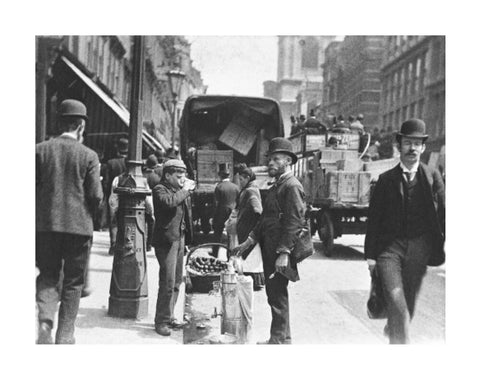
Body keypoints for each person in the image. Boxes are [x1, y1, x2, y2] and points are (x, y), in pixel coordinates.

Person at [365, 118, 445, 344]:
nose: (412, 148)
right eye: (408, 142)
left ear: (423, 148)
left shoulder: (432, 176)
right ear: (399, 146)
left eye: (417, 143)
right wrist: (371, 257)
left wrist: (437, 241)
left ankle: (395, 327)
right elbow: (374, 220)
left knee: (407, 304)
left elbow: (445, 212)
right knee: (397, 301)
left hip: (419, 247)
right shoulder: (385, 180)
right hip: (389, 249)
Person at [36, 99, 103, 344]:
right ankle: (65, 336)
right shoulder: (89, 156)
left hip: (45, 226)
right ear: (81, 127)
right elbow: (95, 196)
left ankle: (45, 323)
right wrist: (95, 217)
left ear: (58, 122)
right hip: (78, 229)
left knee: (48, 276)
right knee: (73, 283)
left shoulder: (40, 150)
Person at [233, 137, 306, 344]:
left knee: (276, 296)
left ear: (289, 162)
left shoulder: (291, 186)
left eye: (276, 159)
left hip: (279, 250)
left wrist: (284, 253)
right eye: (270, 159)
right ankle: (284, 338)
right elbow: (266, 219)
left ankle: (277, 342)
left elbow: (294, 222)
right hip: (271, 248)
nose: (270, 163)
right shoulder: (278, 185)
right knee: (277, 295)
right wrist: (248, 241)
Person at [151, 159, 196, 336]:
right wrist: (185, 190)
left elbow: (186, 213)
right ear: (167, 175)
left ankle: (169, 316)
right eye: (178, 176)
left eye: (183, 175)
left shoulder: (178, 190)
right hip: (166, 241)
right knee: (167, 282)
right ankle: (161, 321)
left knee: (177, 282)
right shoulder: (159, 189)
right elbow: (169, 203)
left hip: (179, 238)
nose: (182, 179)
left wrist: (188, 239)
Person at [235, 167, 264, 290]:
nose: (239, 182)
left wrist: (249, 220)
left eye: (241, 179)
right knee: (251, 256)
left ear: (247, 178)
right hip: (248, 228)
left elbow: (257, 210)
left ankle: (253, 282)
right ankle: (254, 281)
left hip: (249, 229)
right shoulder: (249, 189)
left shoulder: (250, 191)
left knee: (251, 256)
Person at [105, 137, 128, 255]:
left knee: (113, 221)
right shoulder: (129, 163)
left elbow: (106, 182)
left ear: (118, 148)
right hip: (128, 195)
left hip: (114, 194)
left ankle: (113, 245)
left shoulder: (111, 163)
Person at [212, 163, 240, 255]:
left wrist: (214, 216)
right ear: (229, 175)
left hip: (221, 212)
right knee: (230, 235)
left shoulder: (219, 187)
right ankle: (229, 255)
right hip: (232, 212)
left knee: (217, 233)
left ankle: (215, 253)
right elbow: (239, 201)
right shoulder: (236, 187)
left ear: (220, 175)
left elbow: (216, 203)